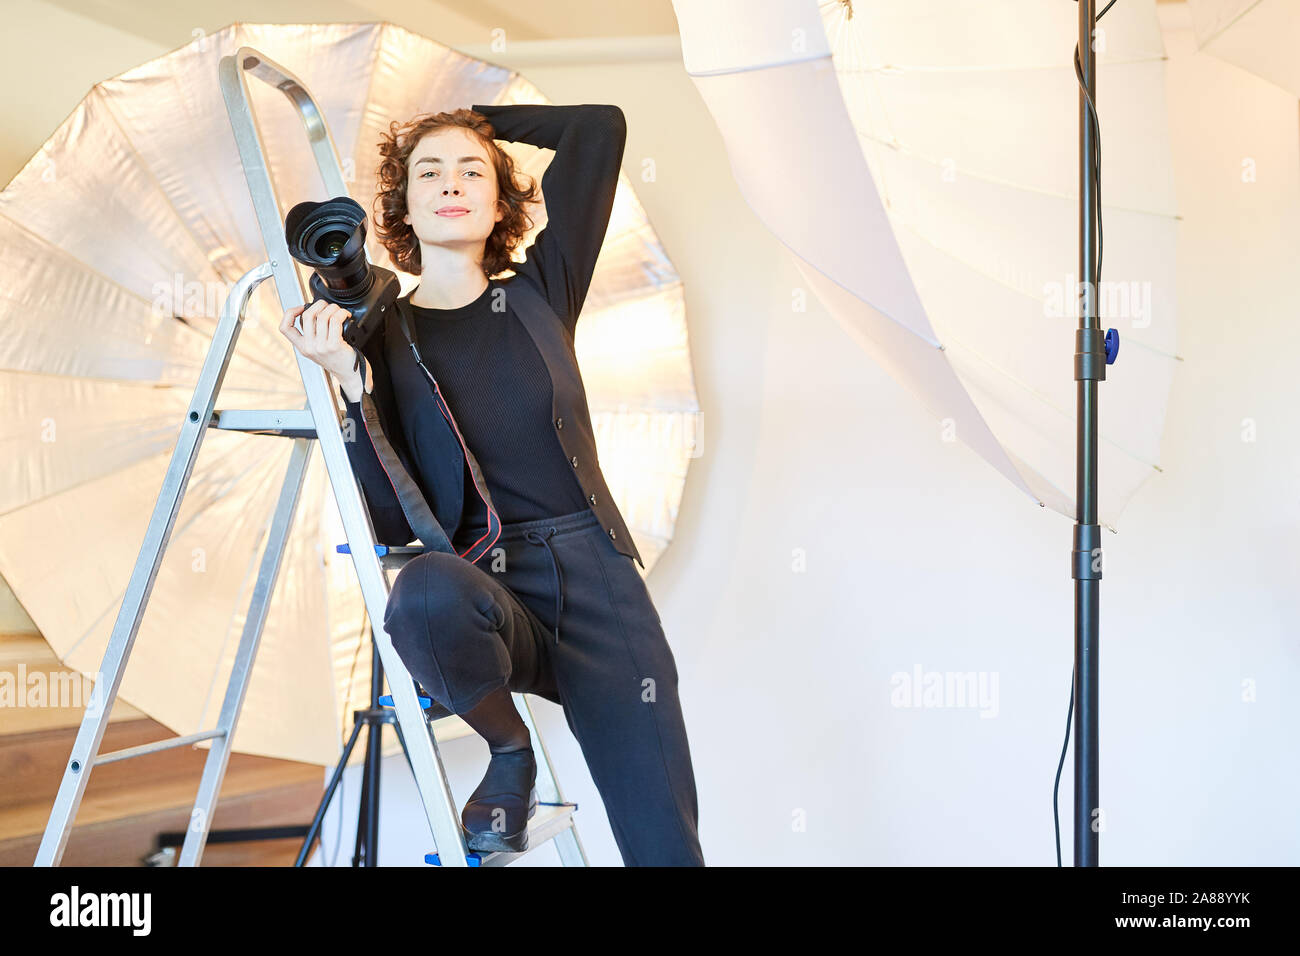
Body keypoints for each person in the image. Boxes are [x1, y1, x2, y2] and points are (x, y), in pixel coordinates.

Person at [278, 103, 705, 866]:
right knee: (424, 589)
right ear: (401, 208)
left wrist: (472, 118)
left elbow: (600, 128)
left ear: (501, 202)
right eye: (428, 173)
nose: (451, 183)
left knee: (663, 843)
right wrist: (350, 386)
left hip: (597, 582)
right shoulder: (381, 338)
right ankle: (510, 754)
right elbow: (384, 522)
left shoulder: (544, 286)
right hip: (491, 587)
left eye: (472, 170)